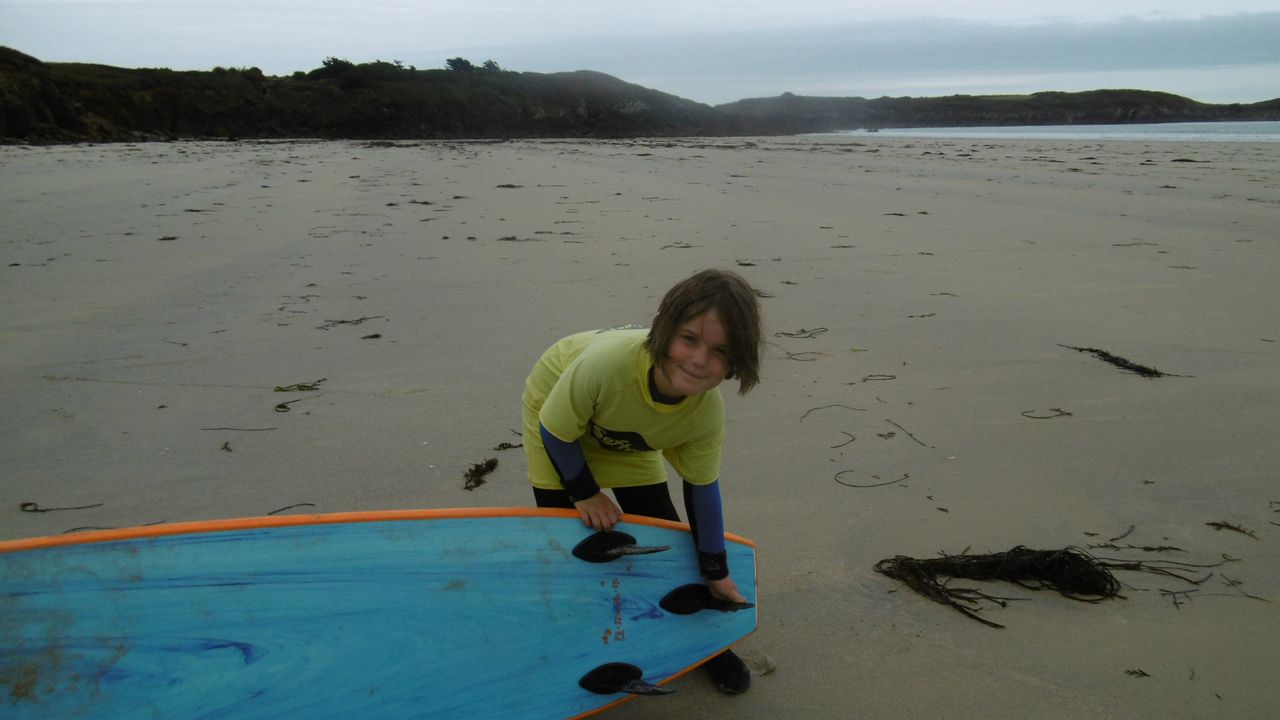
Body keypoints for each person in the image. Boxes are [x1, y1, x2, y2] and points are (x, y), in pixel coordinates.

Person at [521, 268, 764, 695]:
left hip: (630, 436)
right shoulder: (606, 366)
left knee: (665, 539)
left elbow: (701, 489)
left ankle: (705, 647)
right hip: (559, 423)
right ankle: (579, 634)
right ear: (663, 328)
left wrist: (715, 570)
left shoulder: (705, 413)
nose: (699, 359)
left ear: (736, 360)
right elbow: (556, 432)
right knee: (574, 545)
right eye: (688, 338)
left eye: (720, 350)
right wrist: (585, 493)